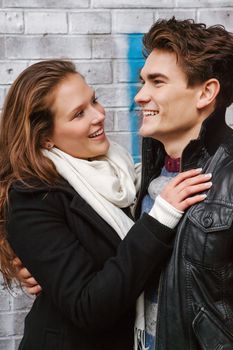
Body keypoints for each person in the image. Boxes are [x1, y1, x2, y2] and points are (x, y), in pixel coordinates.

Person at [0, 59, 210, 350]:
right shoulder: (32, 197)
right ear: (45, 138)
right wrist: (161, 217)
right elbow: (88, 307)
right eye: (78, 114)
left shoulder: (120, 175)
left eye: (94, 101)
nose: (98, 115)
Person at [133, 17, 233, 350]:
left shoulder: (230, 180)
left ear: (206, 92)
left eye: (157, 82)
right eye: (142, 81)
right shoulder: (145, 176)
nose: (140, 96)